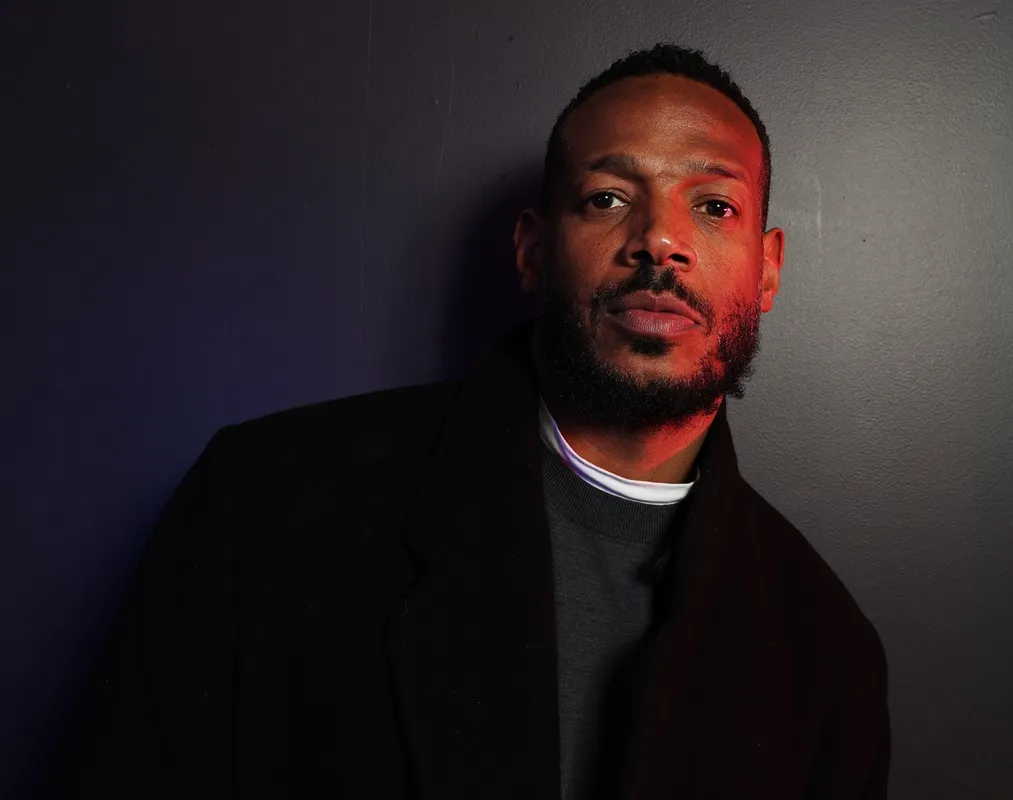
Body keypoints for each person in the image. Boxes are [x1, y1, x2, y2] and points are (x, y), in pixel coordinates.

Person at [42, 42, 889, 799]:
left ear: (768, 269)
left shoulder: (827, 650)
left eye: (713, 206)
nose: (659, 240)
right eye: (605, 198)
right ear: (530, 249)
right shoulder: (264, 507)